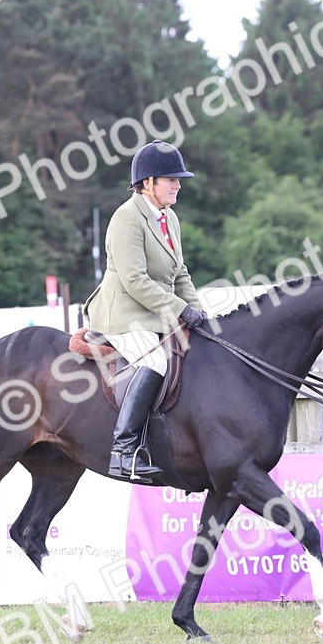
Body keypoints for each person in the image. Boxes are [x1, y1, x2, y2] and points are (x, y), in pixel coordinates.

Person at [84, 140, 207, 483]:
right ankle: (123, 451)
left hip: (153, 312)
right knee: (155, 361)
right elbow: (135, 280)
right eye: (171, 179)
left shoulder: (170, 218)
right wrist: (180, 309)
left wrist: (198, 313)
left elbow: (179, 273)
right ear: (148, 182)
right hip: (122, 314)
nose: (178, 184)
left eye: (178, 179)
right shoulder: (126, 218)